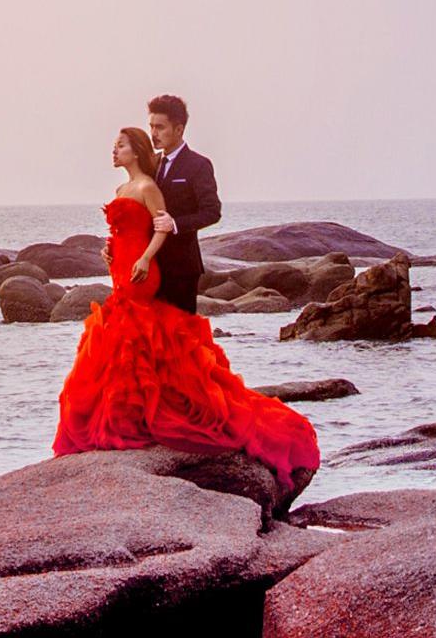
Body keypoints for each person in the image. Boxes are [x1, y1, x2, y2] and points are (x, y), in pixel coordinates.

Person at [53, 122, 318, 503]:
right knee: (124, 338)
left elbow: (169, 224)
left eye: (121, 145)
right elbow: (126, 229)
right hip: (122, 266)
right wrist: (109, 251)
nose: (114, 150)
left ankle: (167, 409)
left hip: (147, 269)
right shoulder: (129, 184)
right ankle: (136, 412)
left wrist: (145, 257)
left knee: (144, 334)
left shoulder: (154, 182)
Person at [143, 91, 220, 311]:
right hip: (150, 265)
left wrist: (175, 224)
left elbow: (212, 212)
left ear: (179, 129)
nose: (153, 134)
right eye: (151, 126)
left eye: (160, 127)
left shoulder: (198, 164)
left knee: (181, 338)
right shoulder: (151, 163)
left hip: (182, 269)